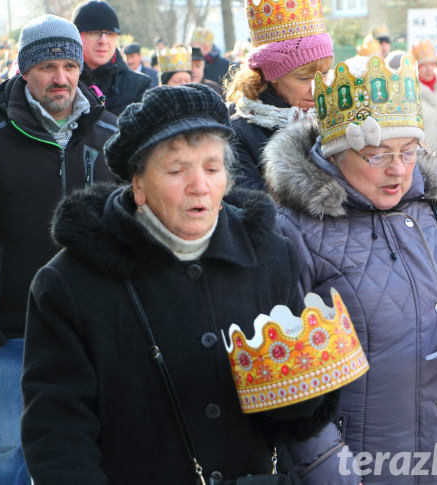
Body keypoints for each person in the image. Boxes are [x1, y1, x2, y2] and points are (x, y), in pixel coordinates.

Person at [21, 83, 357, 484]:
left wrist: (305, 392)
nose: (199, 185)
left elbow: (292, 418)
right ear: (138, 184)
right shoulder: (69, 284)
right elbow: (57, 433)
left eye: (212, 168)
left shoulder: (268, 255)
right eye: (177, 170)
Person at [262, 55, 437, 483]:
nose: (398, 169)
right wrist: (330, 471)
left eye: (408, 152)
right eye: (377, 156)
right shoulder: (294, 231)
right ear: (336, 153)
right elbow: (289, 377)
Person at [0, 15, 119, 485]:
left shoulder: (109, 136)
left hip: (96, 321)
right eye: (48, 67)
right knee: (10, 443)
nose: (61, 78)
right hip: (16, 324)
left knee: (93, 439)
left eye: (69, 66)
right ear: (24, 70)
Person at [225, 0, 333, 190]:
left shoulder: (341, 118)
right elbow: (254, 206)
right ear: (272, 75)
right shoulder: (237, 134)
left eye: (324, 74)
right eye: (304, 78)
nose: (317, 88)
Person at [71, 0, 150, 115]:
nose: (103, 40)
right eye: (94, 32)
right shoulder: (62, 82)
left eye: (110, 33)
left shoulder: (138, 86)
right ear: (76, 35)